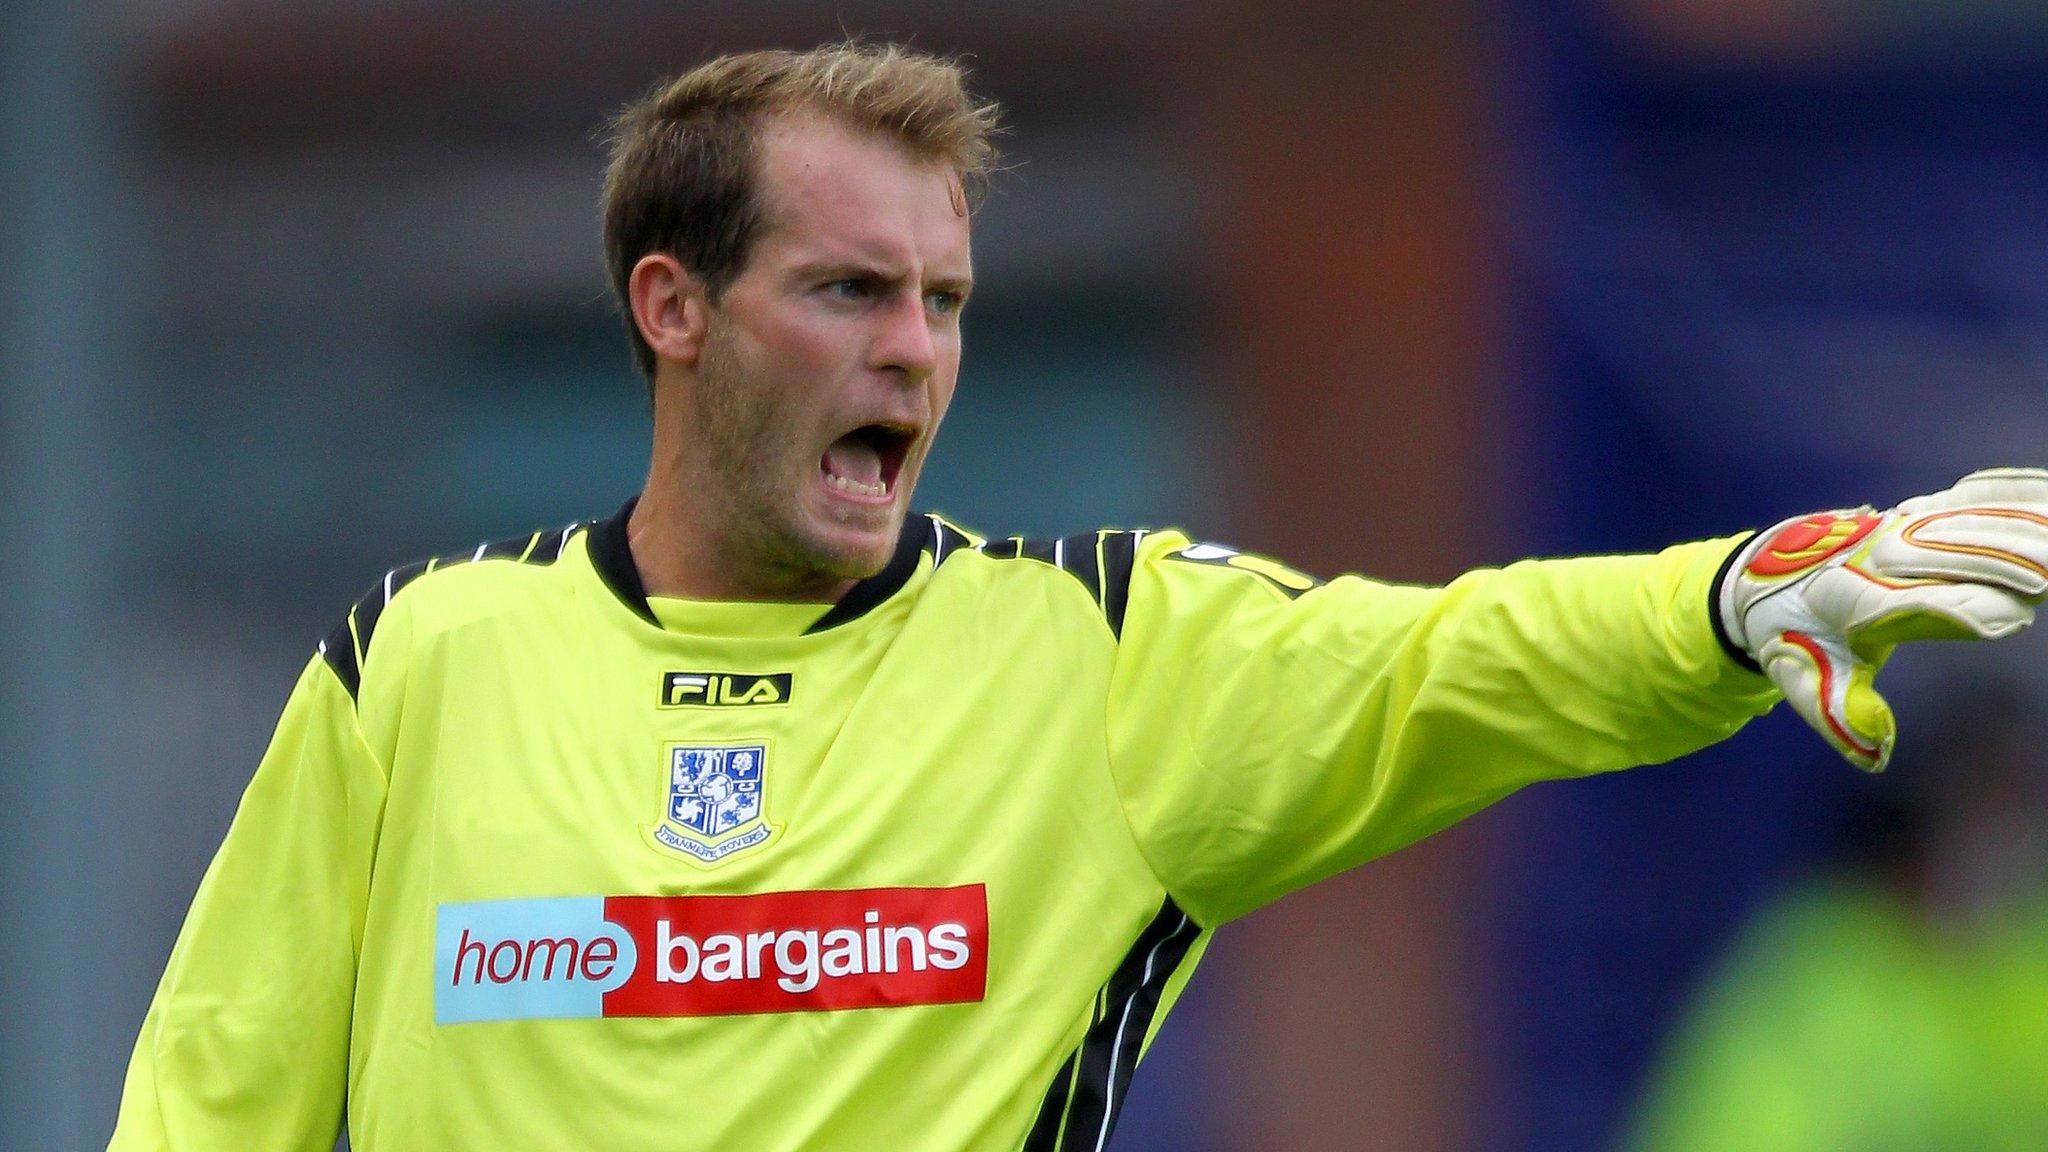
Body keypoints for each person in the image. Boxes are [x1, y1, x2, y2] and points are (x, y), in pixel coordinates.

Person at [106, 42, 2048, 1152]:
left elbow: (1450, 665)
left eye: (942, 303)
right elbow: (208, 1111)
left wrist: (1724, 601)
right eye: (847, 292)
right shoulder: (417, 668)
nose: (912, 356)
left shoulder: (1100, 659)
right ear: (670, 312)